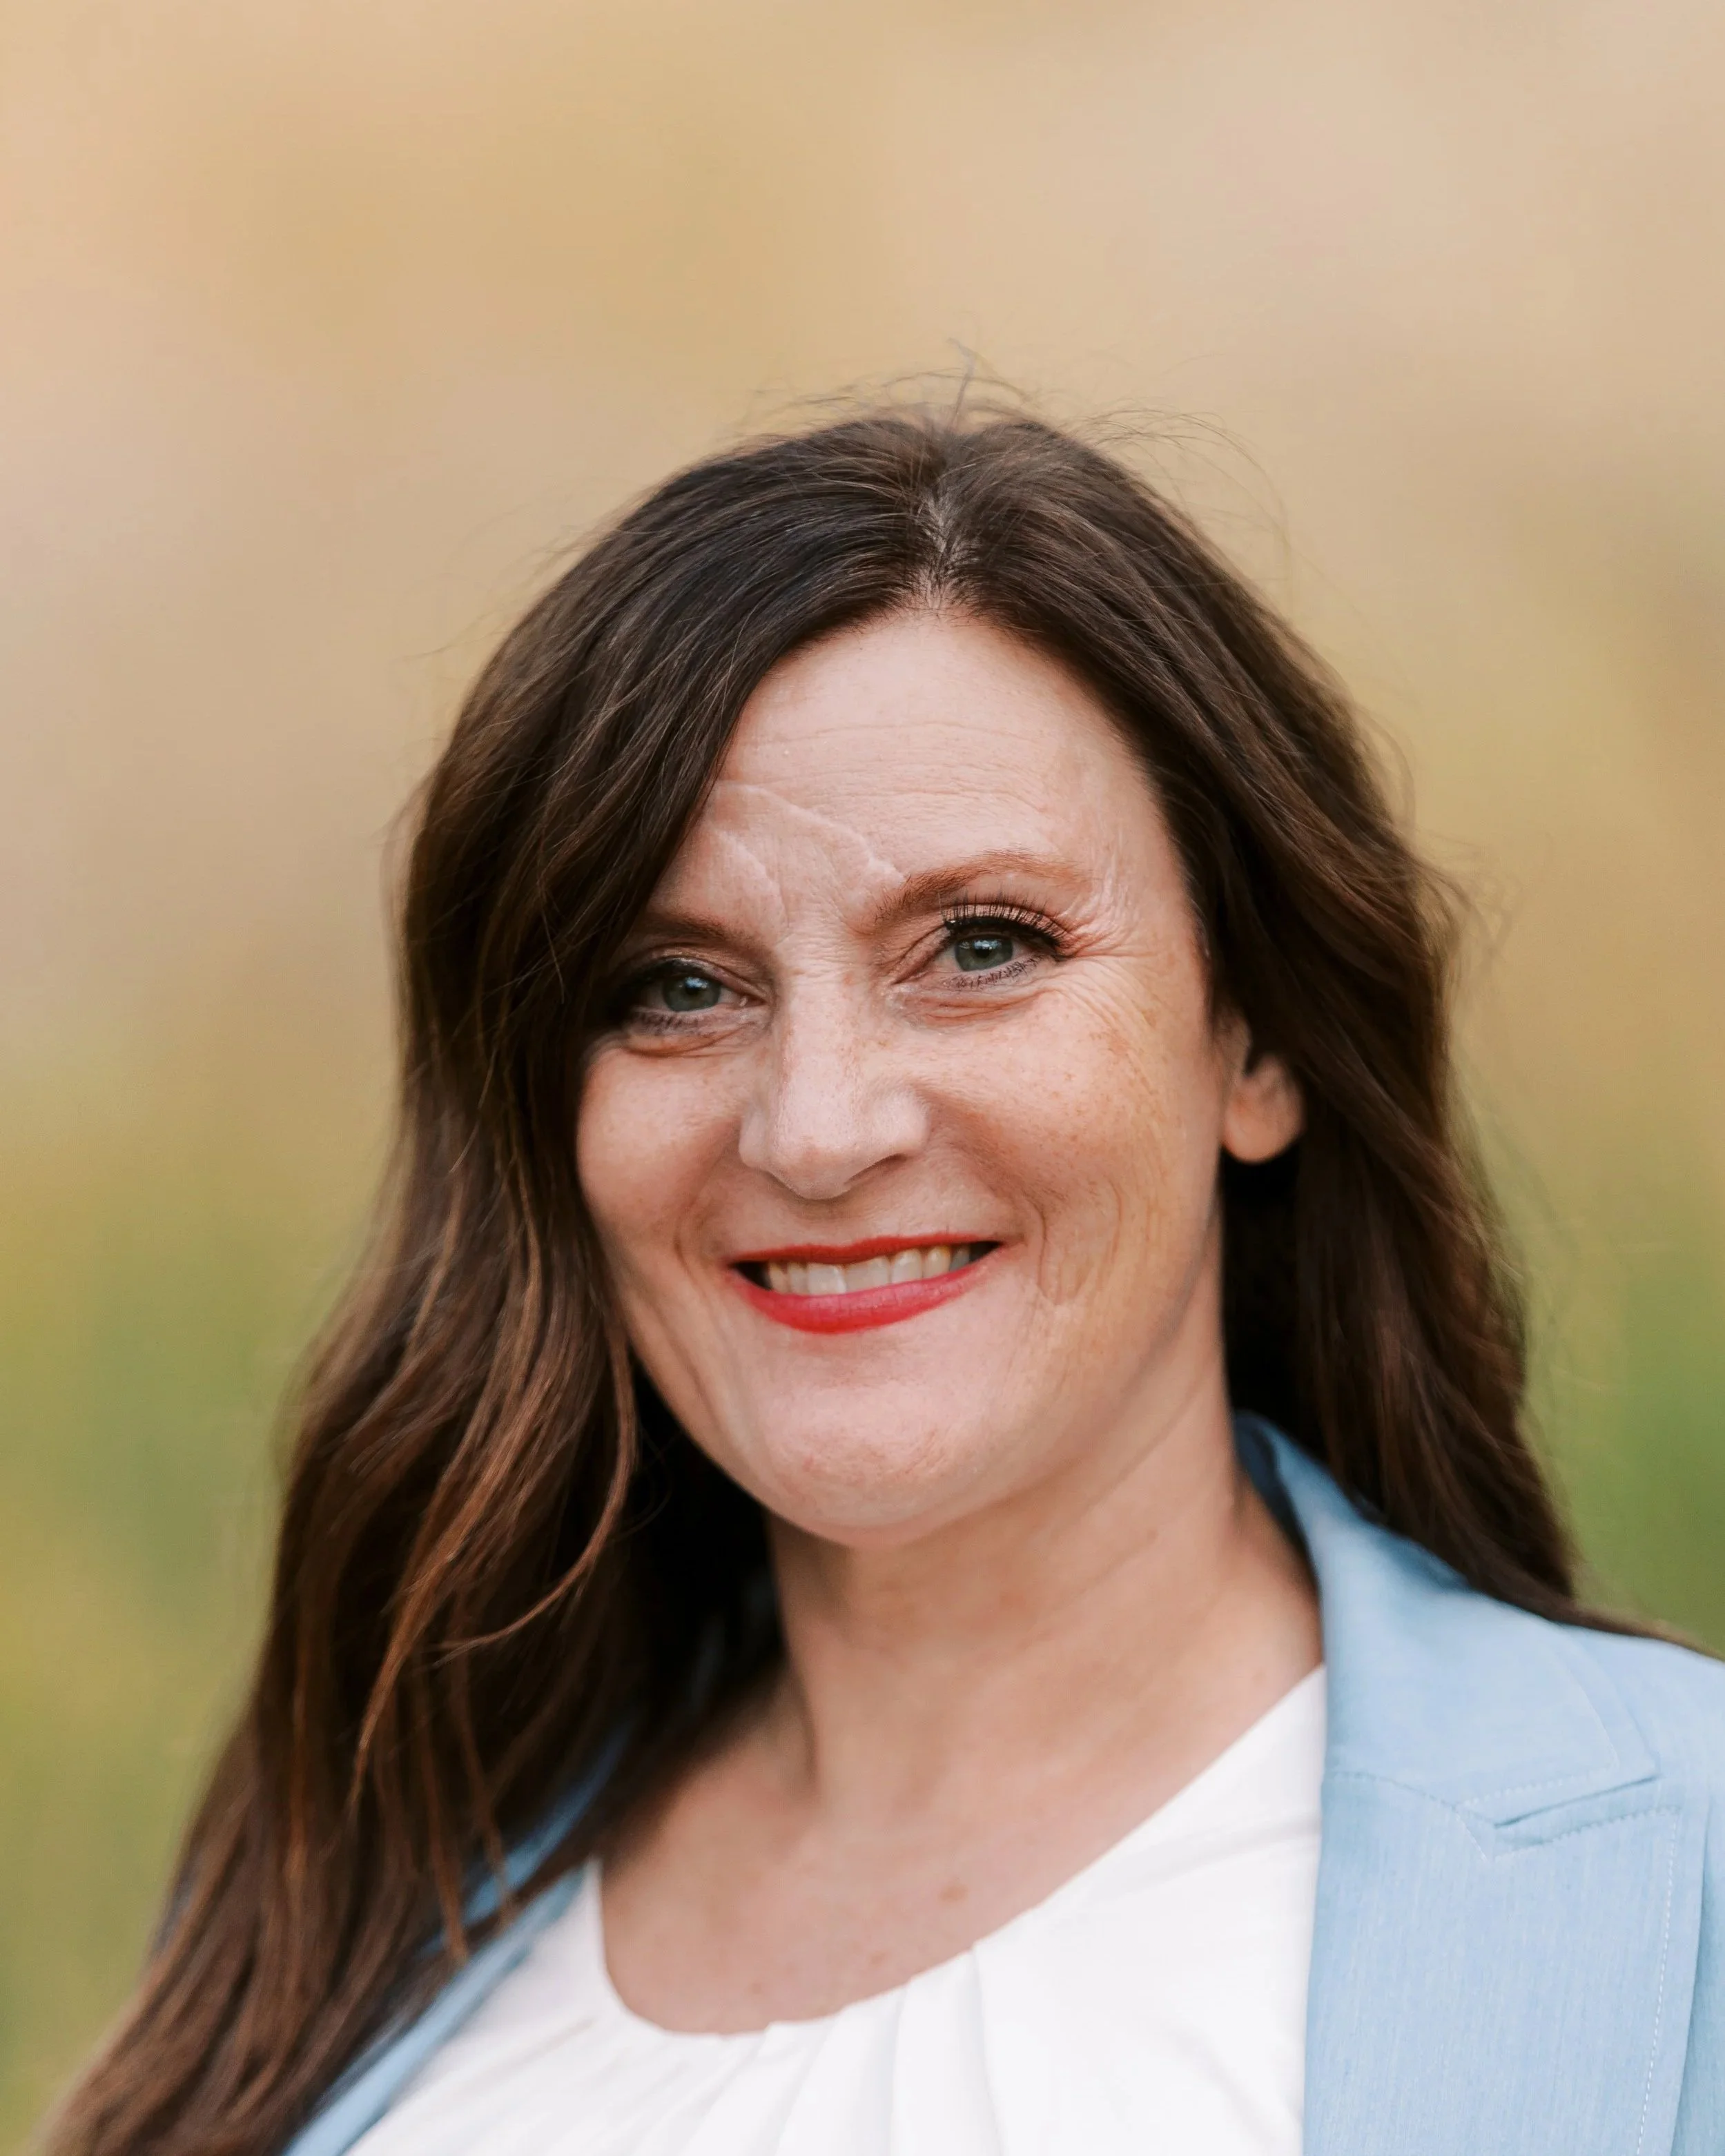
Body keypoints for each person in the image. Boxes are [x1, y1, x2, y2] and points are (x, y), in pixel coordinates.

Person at [51, 409, 1725, 2156]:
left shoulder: (1675, 1878)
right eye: (675, 985)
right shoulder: (349, 1926)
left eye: (983, 946)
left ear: (1258, 1040)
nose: (819, 1126)